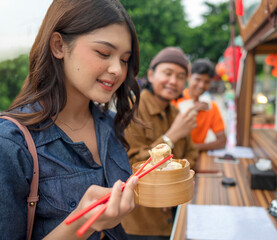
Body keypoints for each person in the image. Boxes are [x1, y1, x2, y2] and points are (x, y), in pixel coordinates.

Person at [0, 1, 141, 239]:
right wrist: (82, 220)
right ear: (58, 46)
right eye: (104, 53)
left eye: (125, 59)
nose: (117, 69)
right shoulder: (12, 143)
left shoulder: (110, 124)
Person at [122, 47, 199, 239]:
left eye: (180, 76)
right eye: (168, 73)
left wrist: (174, 187)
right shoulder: (132, 110)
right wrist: (171, 136)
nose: (173, 81)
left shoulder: (175, 113)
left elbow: (191, 155)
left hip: (173, 212)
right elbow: (130, 164)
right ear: (151, 74)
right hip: (139, 223)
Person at [173, 58, 227, 151]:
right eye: (198, 79)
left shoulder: (211, 106)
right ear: (189, 77)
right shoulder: (174, 101)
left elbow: (222, 141)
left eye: (207, 82)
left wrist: (193, 148)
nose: (201, 85)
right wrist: (193, 109)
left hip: (196, 157)